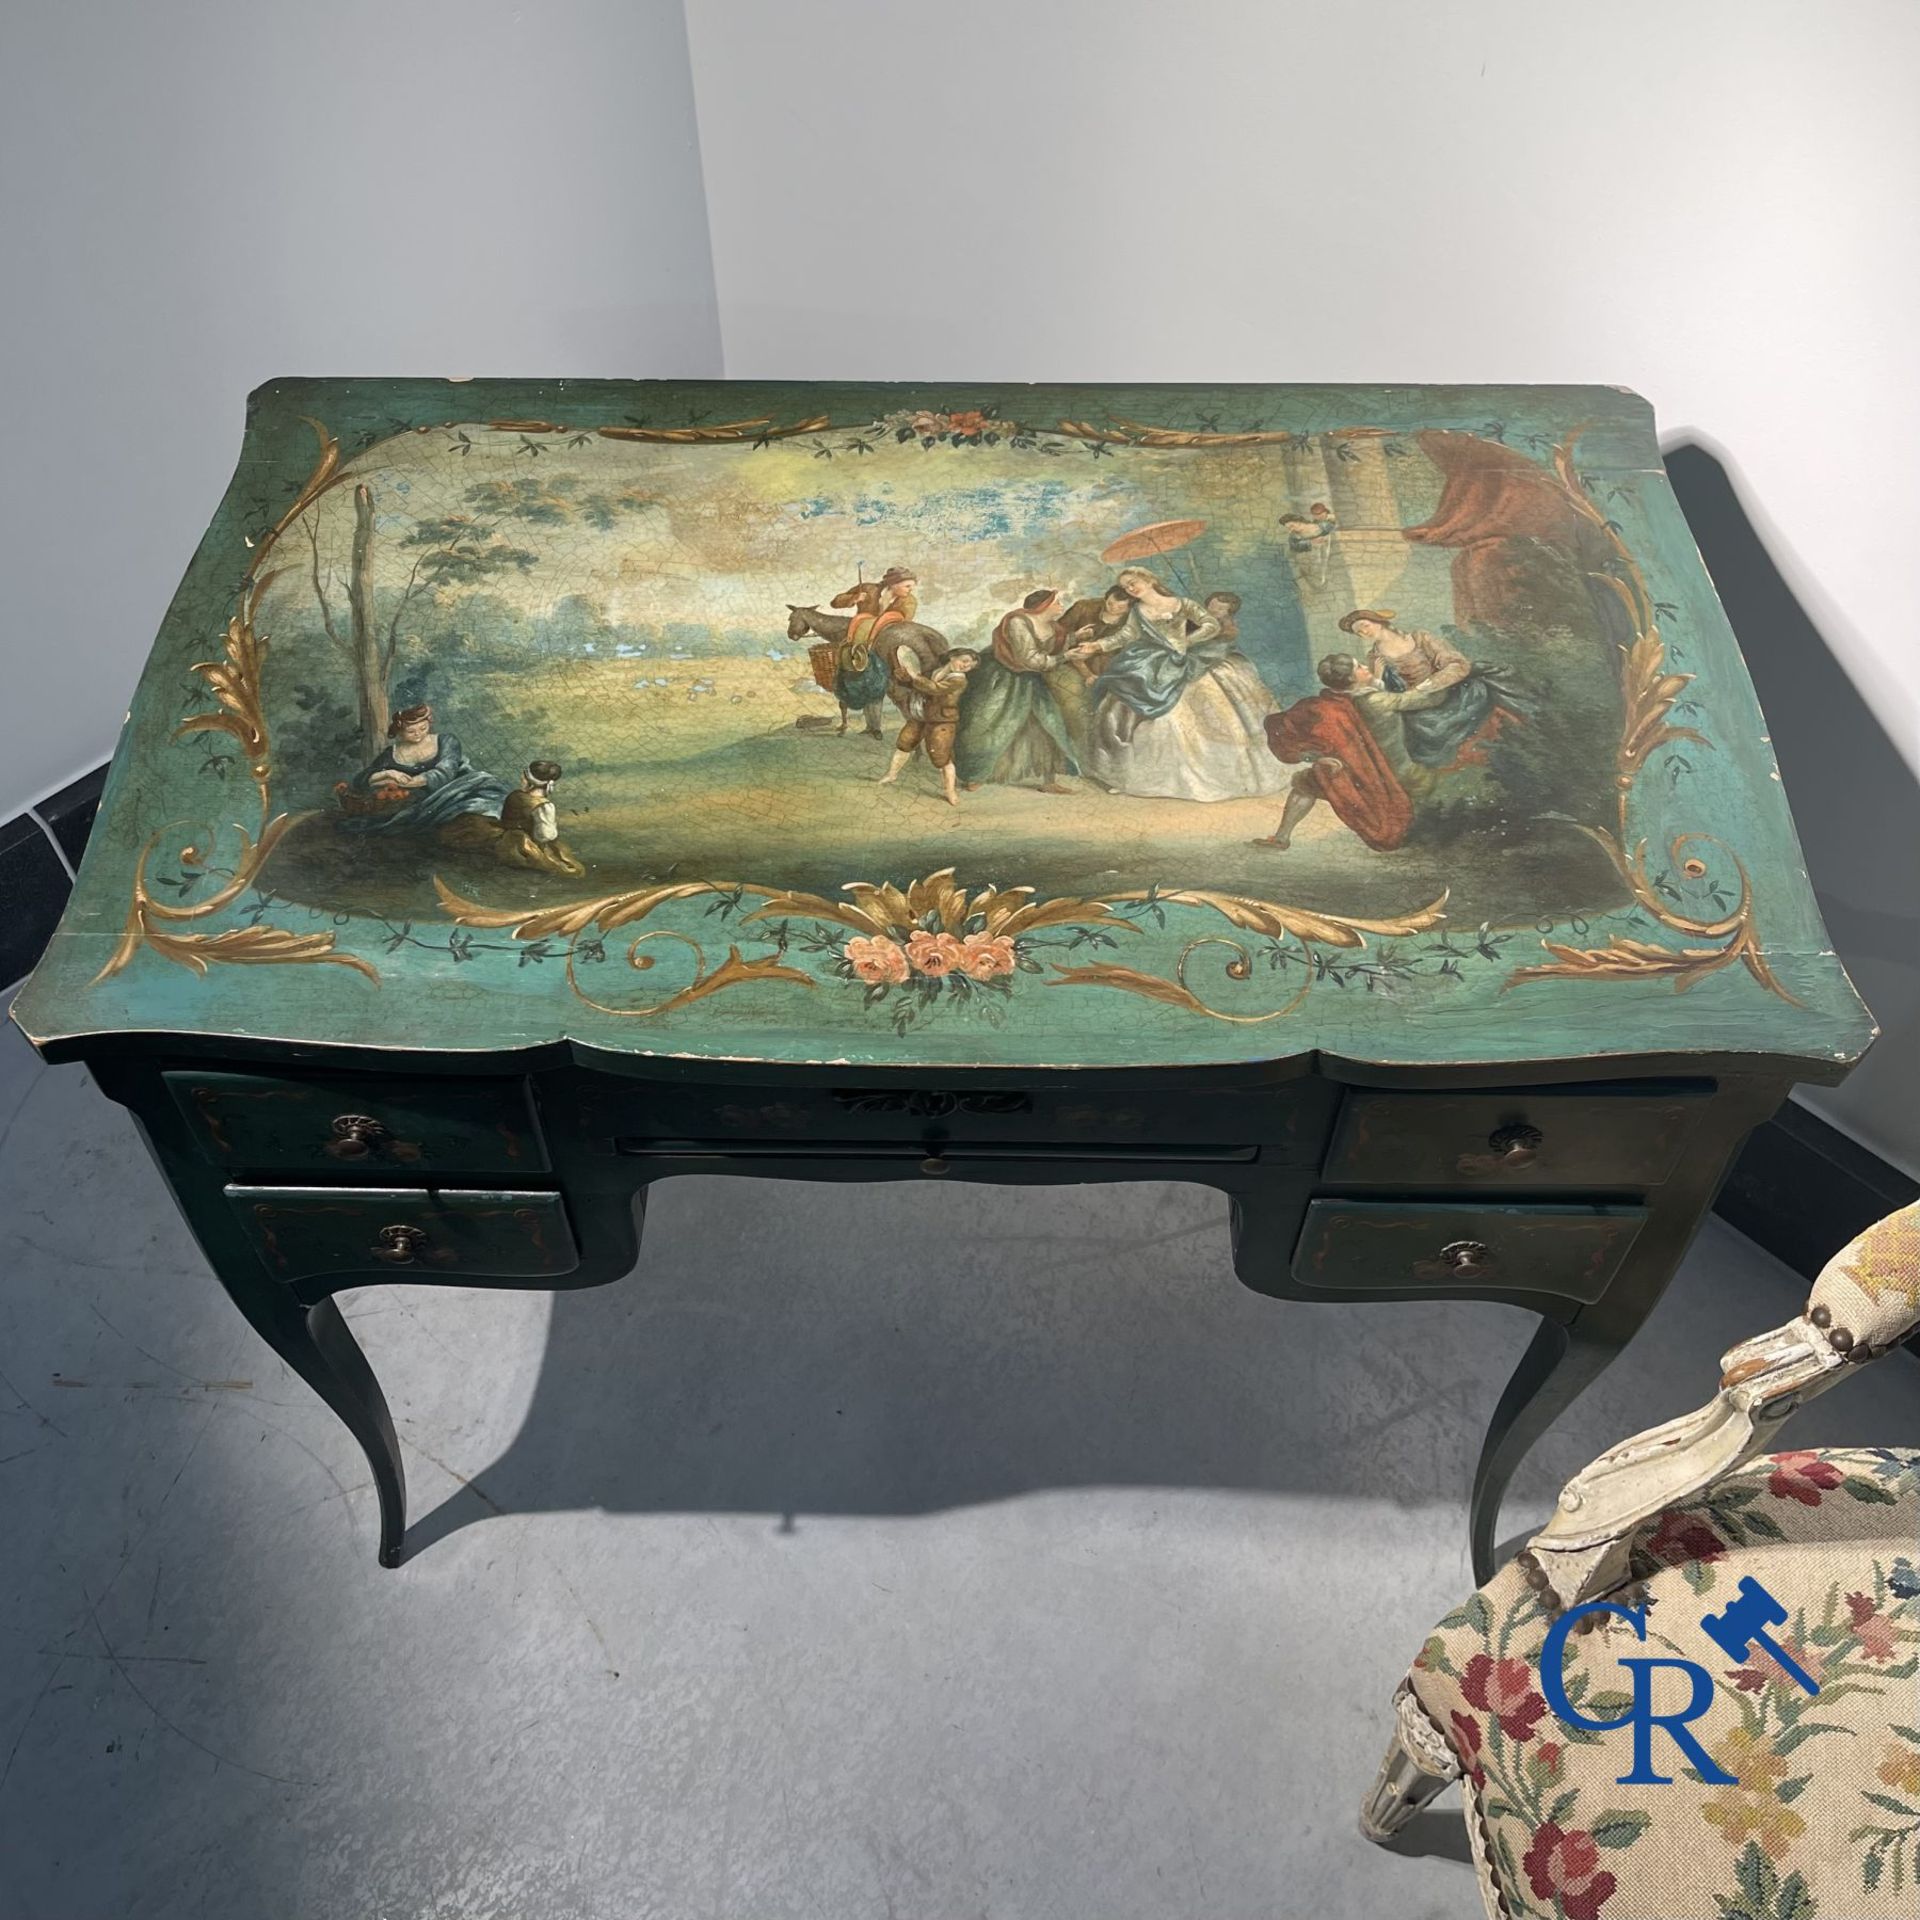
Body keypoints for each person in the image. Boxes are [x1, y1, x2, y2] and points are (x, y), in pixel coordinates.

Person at [1071, 567, 1286, 802]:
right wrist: (1097, 646)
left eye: (1133, 583)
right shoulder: (1138, 611)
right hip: (1148, 660)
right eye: (1125, 587)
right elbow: (1126, 636)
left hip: (1181, 659)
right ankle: (1128, 773)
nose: (1130, 589)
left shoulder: (1181, 603)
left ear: (1149, 579)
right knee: (1121, 699)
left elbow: (1211, 625)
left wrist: (1185, 641)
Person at [1338, 608, 1529, 774]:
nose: (1364, 632)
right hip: (1415, 704)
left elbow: (1456, 663)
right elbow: (1380, 692)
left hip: (1448, 689)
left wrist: (1430, 684)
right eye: (1358, 632)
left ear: (1378, 621)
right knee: (1421, 732)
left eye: (1365, 625)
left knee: (1467, 704)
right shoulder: (1374, 657)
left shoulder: (1420, 638)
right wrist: (1379, 678)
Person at [1257, 653, 1413, 852]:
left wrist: (1375, 680)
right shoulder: (1322, 708)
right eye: (1359, 667)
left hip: (1371, 770)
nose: (1365, 667)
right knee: (1307, 785)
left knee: (1307, 787)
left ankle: (1281, 838)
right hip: (1343, 773)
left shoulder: (1360, 700)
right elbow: (1279, 726)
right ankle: (1281, 838)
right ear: (1350, 679)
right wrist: (1311, 756)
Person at [955, 589, 1079, 791]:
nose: (1061, 606)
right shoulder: (1018, 622)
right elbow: (1029, 659)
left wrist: (1075, 638)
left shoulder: (1051, 625)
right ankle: (975, 775)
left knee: (1046, 724)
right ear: (1043, 606)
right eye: (1057, 602)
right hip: (1002, 676)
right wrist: (1066, 657)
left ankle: (1048, 781)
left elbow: (1051, 643)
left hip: (1029, 678)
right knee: (990, 723)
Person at [335, 704, 510, 844]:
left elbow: (445, 773)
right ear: (400, 731)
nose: (418, 734)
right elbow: (360, 780)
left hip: (460, 789)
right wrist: (390, 773)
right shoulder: (392, 753)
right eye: (411, 731)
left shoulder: (446, 741)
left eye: (423, 728)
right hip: (425, 803)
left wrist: (410, 782)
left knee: (486, 803)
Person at [878, 648, 979, 806]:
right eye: (964, 661)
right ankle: (892, 775)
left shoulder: (959, 680)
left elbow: (934, 689)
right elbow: (918, 686)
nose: (965, 666)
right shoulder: (935, 671)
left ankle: (950, 792)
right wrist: (905, 678)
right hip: (920, 714)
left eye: (970, 666)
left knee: (941, 757)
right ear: (953, 656)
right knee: (904, 743)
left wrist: (914, 676)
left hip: (941, 721)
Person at [496, 760, 585, 875]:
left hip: (506, 838)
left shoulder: (514, 795)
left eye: (523, 778)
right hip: (525, 845)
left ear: (530, 782)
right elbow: (545, 836)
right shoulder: (544, 806)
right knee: (573, 870)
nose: (521, 780)